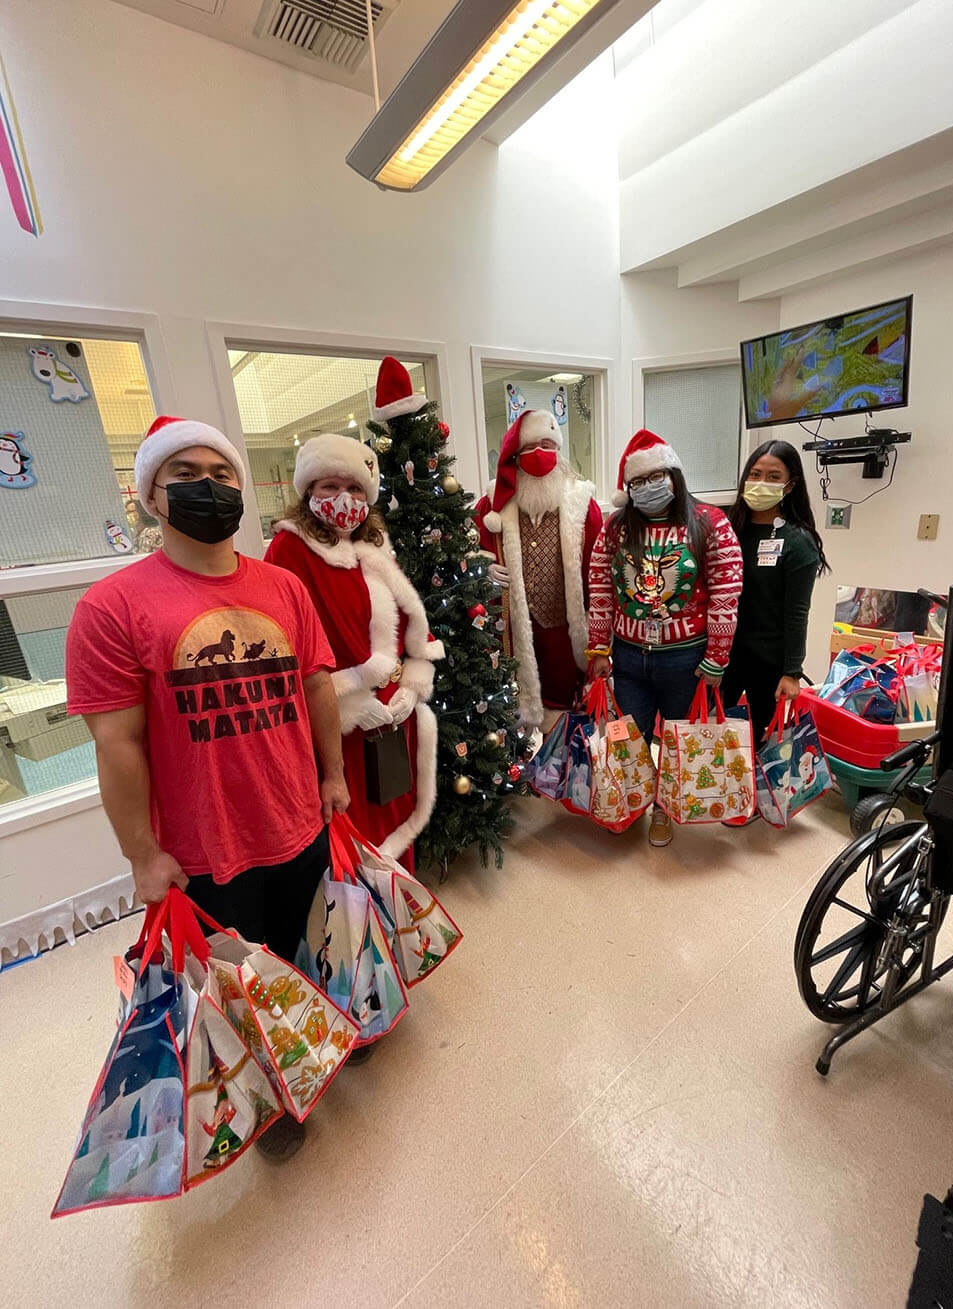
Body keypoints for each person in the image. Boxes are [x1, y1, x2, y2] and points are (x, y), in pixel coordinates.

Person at [66, 414, 349, 1162]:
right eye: (186, 473)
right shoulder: (110, 608)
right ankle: (272, 1094)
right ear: (152, 495)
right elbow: (117, 742)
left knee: (309, 948)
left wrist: (334, 775)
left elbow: (317, 686)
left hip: (298, 815)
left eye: (223, 473)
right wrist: (141, 853)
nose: (209, 487)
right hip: (205, 848)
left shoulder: (283, 586)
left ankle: (320, 1044)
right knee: (235, 981)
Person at [264, 433, 444, 868]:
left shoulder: (374, 547)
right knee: (354, 838)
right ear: (308, 491)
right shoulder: (288, 550)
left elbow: (406, 623)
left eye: (355, 488)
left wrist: (412, 688)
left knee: (397, 817)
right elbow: (283, 653)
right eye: (330, 486)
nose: (343, 498)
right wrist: (348, 704)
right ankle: (367, 930)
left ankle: (402, 917)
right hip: (339, 723)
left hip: (392, 715)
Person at [587, 430, 743, 847]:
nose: (648, 487)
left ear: (674, 474)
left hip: (686, 659)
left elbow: (727, 593)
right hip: (629, 657)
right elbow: (601, 586)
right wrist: (599, 646)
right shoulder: (617, 528)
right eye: (637, 482)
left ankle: (663, 810)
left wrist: (717, 658)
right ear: (627, 488)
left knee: (678, 742)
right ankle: (635, 799)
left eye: (657, 476)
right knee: (631, 738)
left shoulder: (711, 523)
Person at [474, 410, 603, 730]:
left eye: (548, 445)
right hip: (513, 632)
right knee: (513, 717)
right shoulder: (492, 504)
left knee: (565, 719)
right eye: (530, 448)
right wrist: (483, 566)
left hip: (564, 628)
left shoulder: (582, 504)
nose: (540, 455)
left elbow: (599, 572)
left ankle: (561, 776)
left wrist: (601, 636)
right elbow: (472, 555)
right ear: (515, 458)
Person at [723, 440, 828, 745]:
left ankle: (750, 794)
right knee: (710, 737)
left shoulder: (797, 542)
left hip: (768, 662)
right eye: (754, 475)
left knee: (755, 742)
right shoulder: (728, 529)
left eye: (773, 477)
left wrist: (793, 672)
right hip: (722, 656)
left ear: (791, 485)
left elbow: (797, 612)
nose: (760, 484)